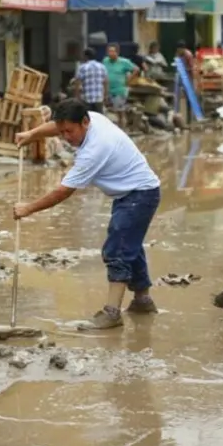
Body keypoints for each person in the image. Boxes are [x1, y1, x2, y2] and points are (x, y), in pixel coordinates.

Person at [13, 98, 162, 330]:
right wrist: (31, 134)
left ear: (84, 122)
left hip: (140, 194)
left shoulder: (95, 148)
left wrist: (28, 208)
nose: (66, 137)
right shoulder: (92, 118)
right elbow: (57, 125)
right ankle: (142, 300)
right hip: (133, 193)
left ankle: (112, 313)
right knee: (130, 245)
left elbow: (63, 191)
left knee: (117, 249)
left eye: (69, 132)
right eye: (62, 132)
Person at [102, 43, 138, 127]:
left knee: (120, 112)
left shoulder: (124, 62)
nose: (111, 53)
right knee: (110, 112)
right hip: (108, 90)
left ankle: (123, 130)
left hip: (119, 90)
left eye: (113, 51)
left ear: (117, 52)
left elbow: (136, 69)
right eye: (109, 51)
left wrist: (128, 80)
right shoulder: (105, 61)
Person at [72, 47, 108, 113]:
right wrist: (105, 96)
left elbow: (78, 83)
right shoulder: (102, 67)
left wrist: (77, 98)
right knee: (99, 118)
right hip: (99, 99)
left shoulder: (82, 67)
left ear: (86, 56)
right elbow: (105, 82)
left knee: (88, 119)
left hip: (87, 99)